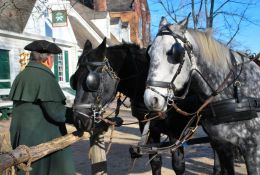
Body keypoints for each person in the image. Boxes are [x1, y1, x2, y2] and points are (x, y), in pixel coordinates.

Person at [9, 40, 75, 175]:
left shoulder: (21, 76)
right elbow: (57, 113)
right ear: (48, 59)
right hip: (40, 143)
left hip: (22, 139)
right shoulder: (44, 77)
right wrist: (79, 115)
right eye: (53, 59)